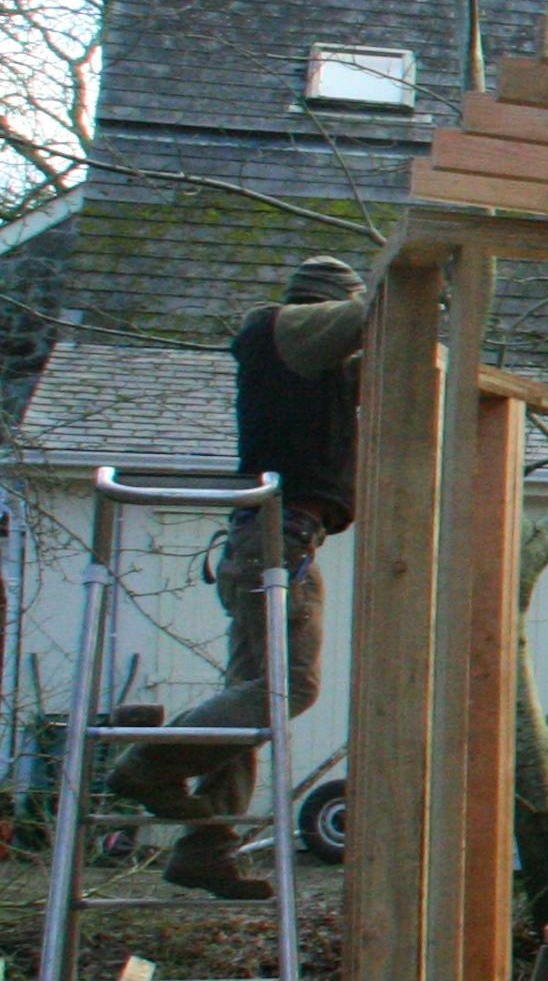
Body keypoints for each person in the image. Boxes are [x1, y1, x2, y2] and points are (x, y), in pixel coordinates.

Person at [109, 256, 367, 900]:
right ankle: (147, 763)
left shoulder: (304, 370)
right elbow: (374, 310)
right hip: (276, 542)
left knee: (251, 693)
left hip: (271, 541)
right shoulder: (283, 329)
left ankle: (205, 848)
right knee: (288, 688)